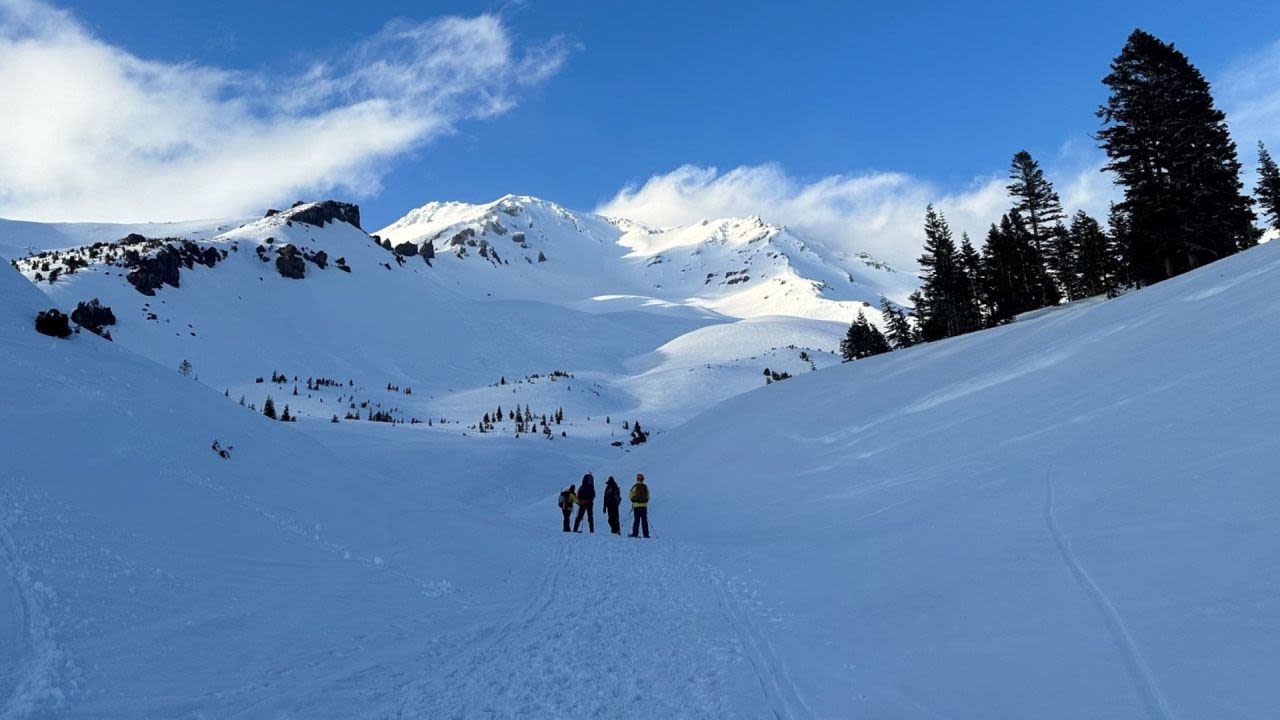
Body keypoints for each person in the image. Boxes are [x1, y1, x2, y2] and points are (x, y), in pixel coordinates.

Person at [628, 473, 650, 539]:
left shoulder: (634, 487)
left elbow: (630, 495)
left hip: (636, 506)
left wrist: (634, 501)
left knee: (636, 520)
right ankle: (646, 534)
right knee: (644, 521)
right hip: (644, 507)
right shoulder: (645, 487)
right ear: (643, 479)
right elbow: (648, 496)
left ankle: (635, 533)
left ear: (637, 479)